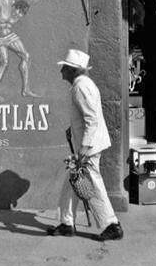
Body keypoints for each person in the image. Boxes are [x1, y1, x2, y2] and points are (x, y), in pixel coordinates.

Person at [47, 49, 123, 241]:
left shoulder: (81, 87)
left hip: (88, 147)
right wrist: (72, 129)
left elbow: (91, 120)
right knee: (71, 184)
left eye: (64, 67)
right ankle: (67, 223)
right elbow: (85, 117)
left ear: (73, 70)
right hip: (87, 144)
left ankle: (111, 225)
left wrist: (83, 151)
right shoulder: (81, 84)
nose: (61, 70)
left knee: (93, 186)